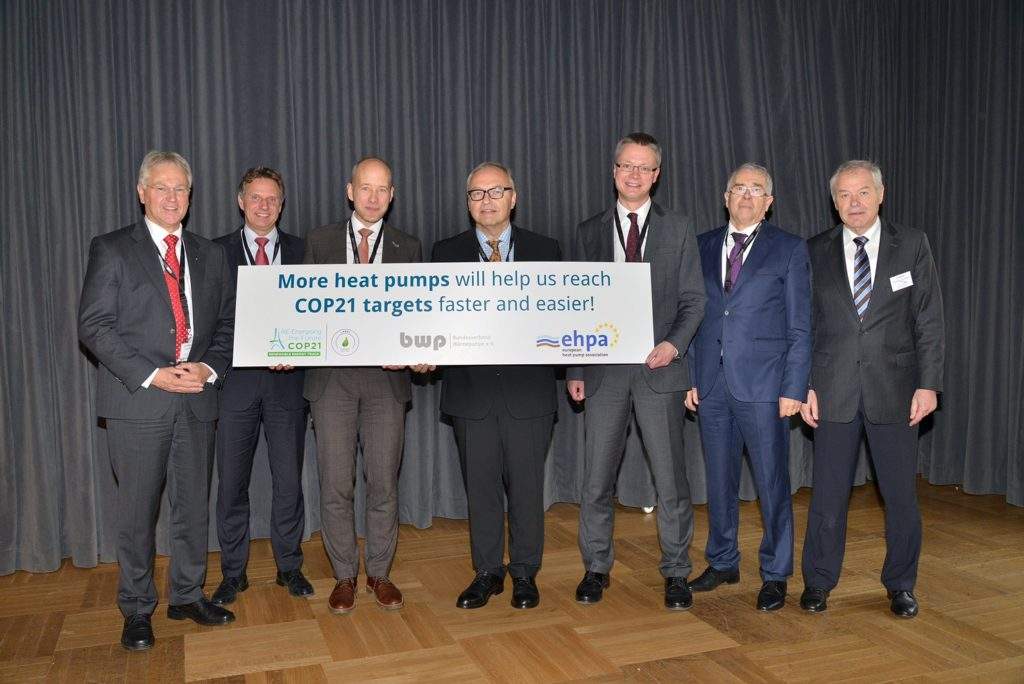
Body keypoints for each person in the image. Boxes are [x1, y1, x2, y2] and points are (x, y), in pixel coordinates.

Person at [78, 151, 236, 651]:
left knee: (193, 508)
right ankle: (136, 608)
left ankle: (187, 595)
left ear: (191, 196)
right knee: (137, 514)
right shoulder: (112, 249)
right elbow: (94, 326)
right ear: (142, 192)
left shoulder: (211, 254)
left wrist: (208, 368)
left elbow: (228, 326)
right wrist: (153, 375)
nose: (172, 197)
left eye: (180, 189)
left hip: (196, 400)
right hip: (138, 403)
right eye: (161, 188)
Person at [799, 160, 944, 618]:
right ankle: (818, 582)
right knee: (827, 496)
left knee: (900, 497)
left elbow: (929, 319)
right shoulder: (814, 250)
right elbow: (803, 326)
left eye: (863, 192)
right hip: (831, 391)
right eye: (844, 195)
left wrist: (929, 384)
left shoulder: (912, 244)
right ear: (834, 201)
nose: (854, 202)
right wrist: (804, 385)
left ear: (881, 195)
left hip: (896, 391)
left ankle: (901, 584)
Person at [567, 132, 705, 610]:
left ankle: (676, 571)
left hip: (659, 371)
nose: (634, 174)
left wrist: (673, 345)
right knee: (596, 480)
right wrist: (575, 367)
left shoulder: (679, 228)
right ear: (614, 171)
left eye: (644, 167)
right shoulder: (588, 230)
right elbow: (576, 304)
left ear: (656, 175)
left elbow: (694, 300)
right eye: (627, 165)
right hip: (603, 374)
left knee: (671, 480)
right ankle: (595, 567)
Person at [431, 162, 562, 610]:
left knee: (527, 490)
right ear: (468, 202)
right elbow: (433, 319)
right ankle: (487, 572)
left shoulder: (547, 250)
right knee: (481, 490)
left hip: (529, 393)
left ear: (513, 197)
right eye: (477, 194)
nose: (486, 201)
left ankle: (525, 573)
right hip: (472, 394)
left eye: (495, 191)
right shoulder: (444, 254)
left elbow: (563, 316)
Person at [684, 163, 811, 611]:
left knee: (772, 483)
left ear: (769, 202)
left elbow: (800, 326)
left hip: (765, 387)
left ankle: (775, 573)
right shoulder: (700, 245)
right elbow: (691, 315)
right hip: (711, 384)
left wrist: (794, 387)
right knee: (718, 480)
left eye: (756, 189)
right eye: (738, 188)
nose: (746, 195)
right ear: (726, 198)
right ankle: (722, 561)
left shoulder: (789, 249)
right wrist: (690, 377)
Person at [303, 157, 421, 614]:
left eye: (382, 189)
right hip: (332, 380)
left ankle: (380, 573)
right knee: (336, 483)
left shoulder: (409, 246)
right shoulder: (319, 241)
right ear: (350, 191)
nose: (373, 197)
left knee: (383, 484)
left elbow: (419, 313)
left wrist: (419, 350)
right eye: (365, 188)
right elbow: (301, 308)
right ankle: (344, 575)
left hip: (386, 381)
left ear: (392, 195)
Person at [211, 166, 312, 606]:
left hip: (288, 385)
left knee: (289, 482)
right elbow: (210, 320)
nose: (264, 206)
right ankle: (233, 573)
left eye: (272, 198)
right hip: (234, 386)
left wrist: (302, 349)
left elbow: (316, 315)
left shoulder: (304, 251)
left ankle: (289, 566)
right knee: (231, 484)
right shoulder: (215, 252)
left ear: (282, 204)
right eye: (255, 197)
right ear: (241, 202)